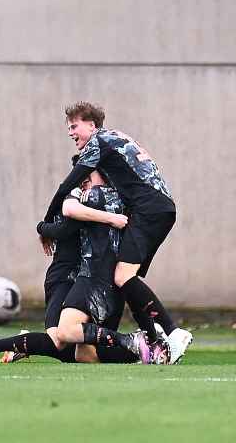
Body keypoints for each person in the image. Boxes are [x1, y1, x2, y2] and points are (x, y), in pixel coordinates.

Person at [42, 102, 192, 363]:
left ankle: (173, 333)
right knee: (127, 278)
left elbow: (68, 183)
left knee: (122, 276)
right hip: (155, 209)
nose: (70, 132)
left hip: (149, 210)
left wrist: (45, 223)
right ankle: (155, 340)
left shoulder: (99, 142)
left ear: (92, 124)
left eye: (74, 126)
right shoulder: (115, 138)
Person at [0, 173, 150, 365]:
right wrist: (42, 227)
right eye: (83, 180)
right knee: (58, 340)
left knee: (82, 353)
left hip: (86, 282)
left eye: (88, 180)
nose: (85, 185)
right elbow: (64, 225)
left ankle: (145, 352)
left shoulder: (99, 200)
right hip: (63, 278)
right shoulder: (77, 199)